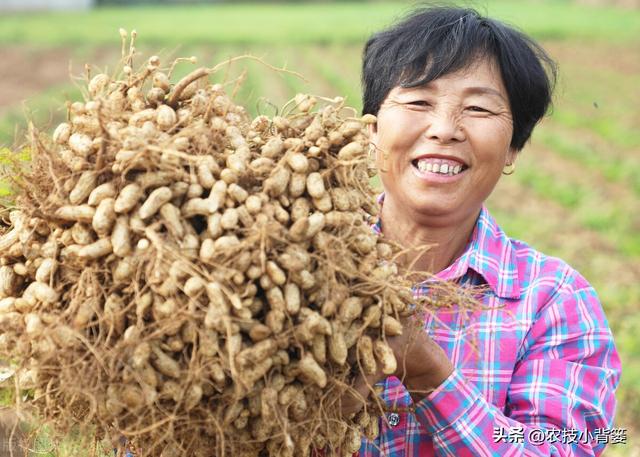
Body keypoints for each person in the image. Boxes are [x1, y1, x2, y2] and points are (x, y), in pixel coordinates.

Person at [344, 6, 622, 456]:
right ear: (372, 130)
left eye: (477, 108)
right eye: (418, 102)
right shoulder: (301, 267)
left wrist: (429, 373)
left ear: (513, 147)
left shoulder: (554, 301)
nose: (444, 130)